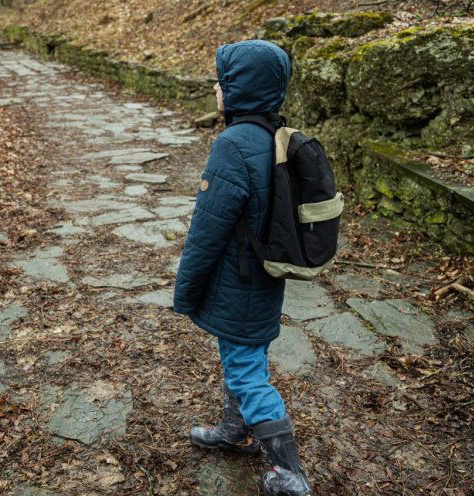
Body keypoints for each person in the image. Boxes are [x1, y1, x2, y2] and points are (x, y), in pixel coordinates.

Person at [173, 39, 314, 496]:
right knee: (243, 356)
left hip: (238, 280)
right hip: (263, 278)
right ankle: (236, 430)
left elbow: (206, 229)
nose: (216, 87)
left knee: (247, 372)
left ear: (239, 87)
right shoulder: (274, 136)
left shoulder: (233, 144)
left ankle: (290, 474)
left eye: (223, 79)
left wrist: (186, 289)